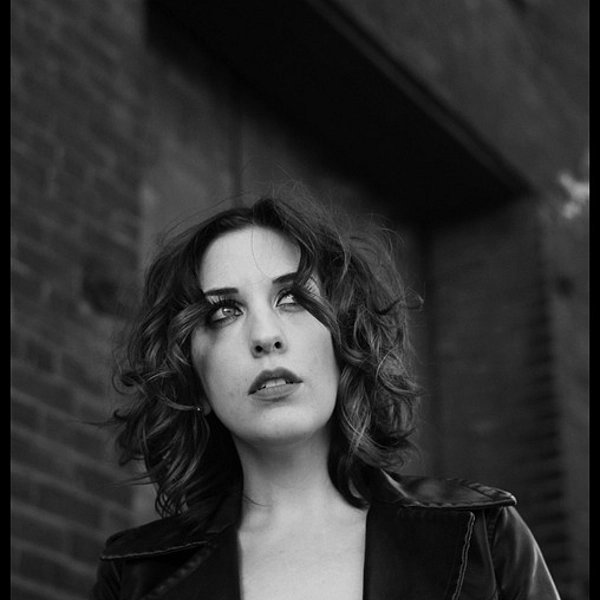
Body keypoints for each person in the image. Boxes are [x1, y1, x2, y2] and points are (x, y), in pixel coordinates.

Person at [92, 195, 560, 599]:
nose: (265, 335)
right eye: (224, 312)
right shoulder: (134, 578)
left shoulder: (481, 536)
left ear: (344, 340)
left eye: (292, 298)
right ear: (193, 381)